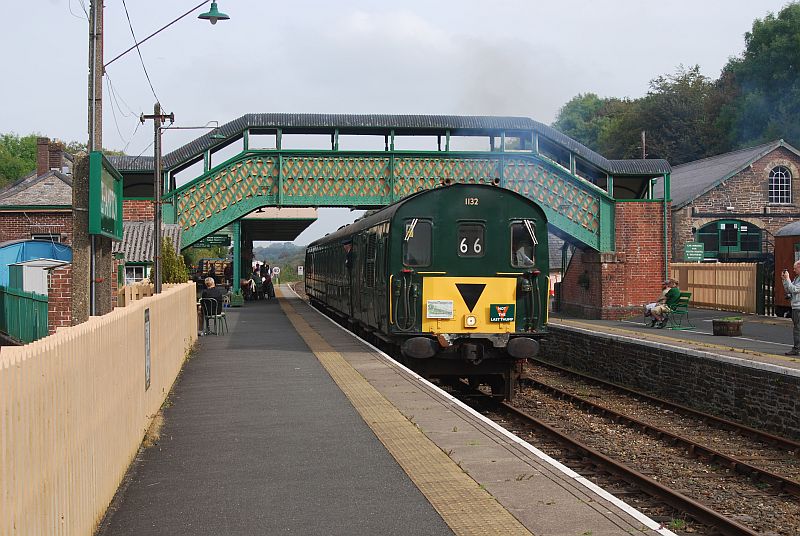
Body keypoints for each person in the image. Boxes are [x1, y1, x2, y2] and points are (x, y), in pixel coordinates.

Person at [781, 260, 800, 355]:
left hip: (798, 307)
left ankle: (796, 349)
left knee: (797, 329)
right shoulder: (797, 278)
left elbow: (794, 289)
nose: (793, 270)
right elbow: (789, 288)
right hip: (796, 307)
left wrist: (788, 278)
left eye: (795, 268)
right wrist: (784, 280)